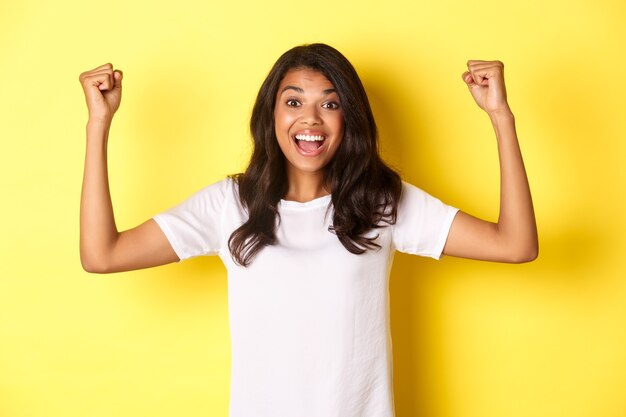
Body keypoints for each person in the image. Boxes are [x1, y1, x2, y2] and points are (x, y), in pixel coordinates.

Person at [79, 43, 537, 417]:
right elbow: (103, 255)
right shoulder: (229, 204)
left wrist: (501, 118)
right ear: (272, 115)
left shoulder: (380, 201)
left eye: (330, 104)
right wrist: (98, 124)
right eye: (294, 101)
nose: (310, 119)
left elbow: (515, 245)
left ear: (348, 119)